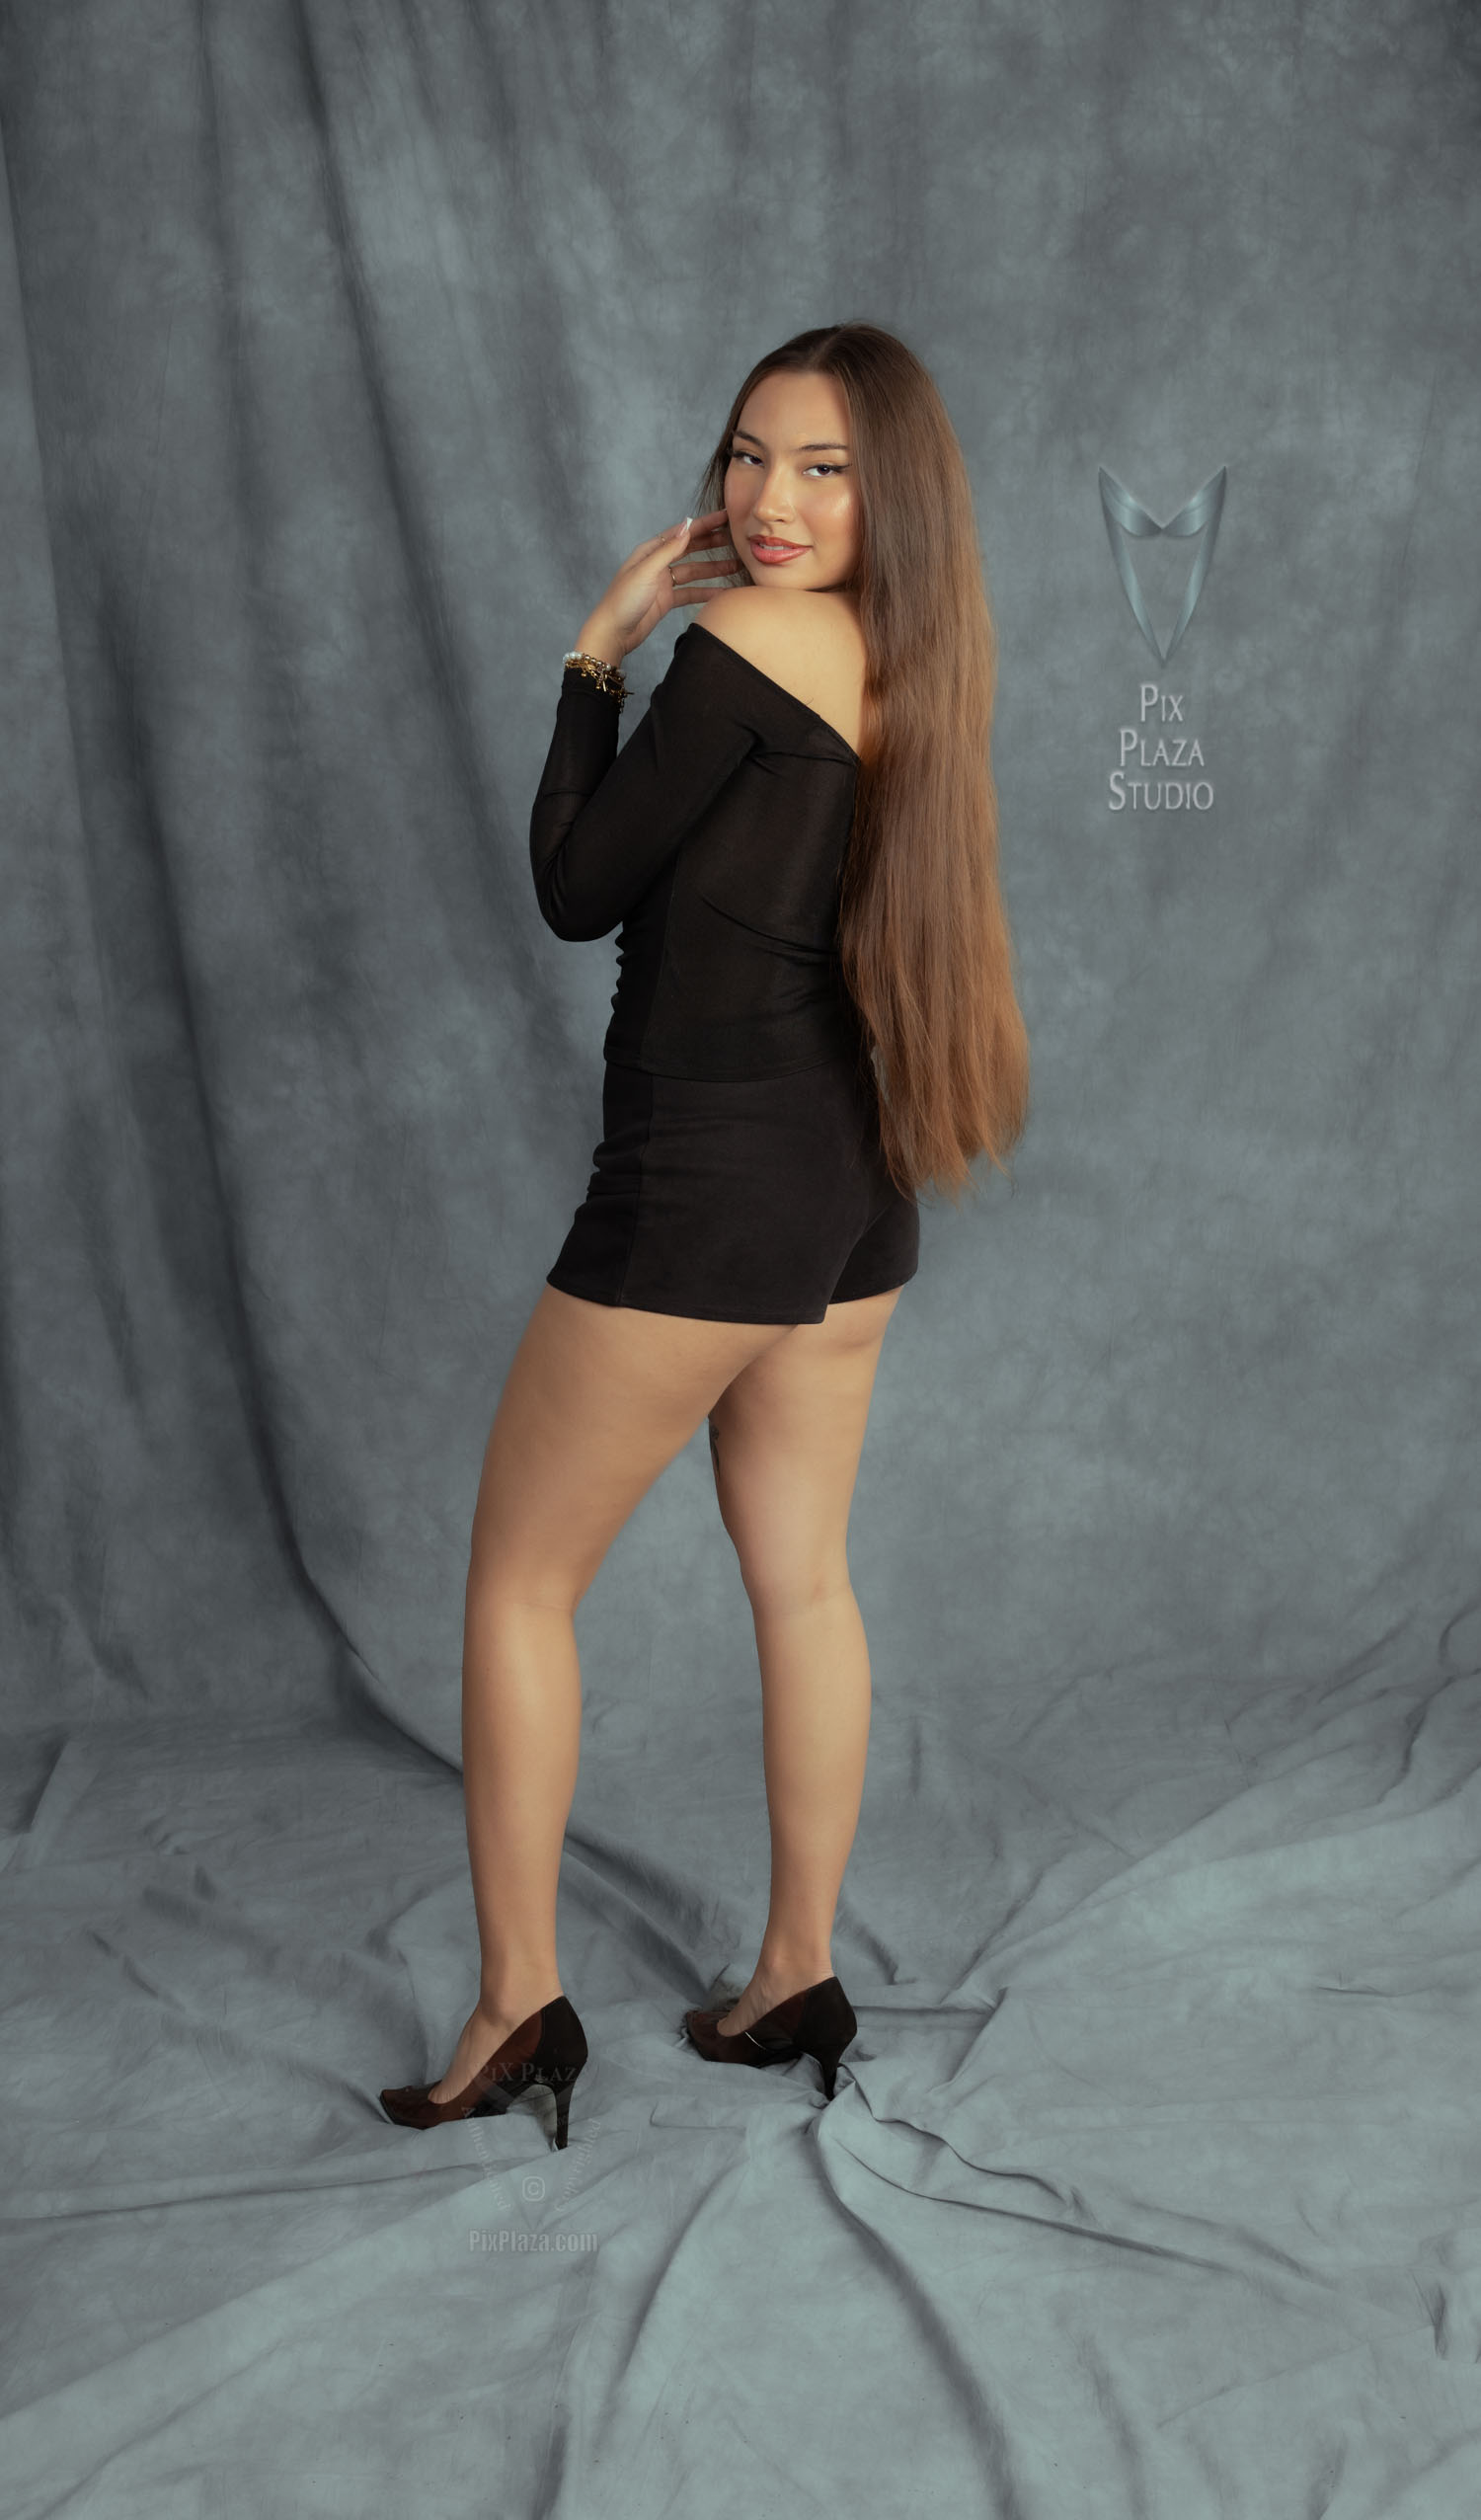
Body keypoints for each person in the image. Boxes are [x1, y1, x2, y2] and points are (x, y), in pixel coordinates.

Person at [380, 321, 1029, 2151]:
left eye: (821, 468)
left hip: (704, 1181)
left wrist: (599, 649)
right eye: (747, 457)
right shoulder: (913, 657)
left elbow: (577, 891)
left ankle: (519, 2008)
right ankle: (791, 1970)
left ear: (885, 487)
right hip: (853, 1180)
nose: (766, 502)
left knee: (519, 1584)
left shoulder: (742, 644)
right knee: (802, 1578)